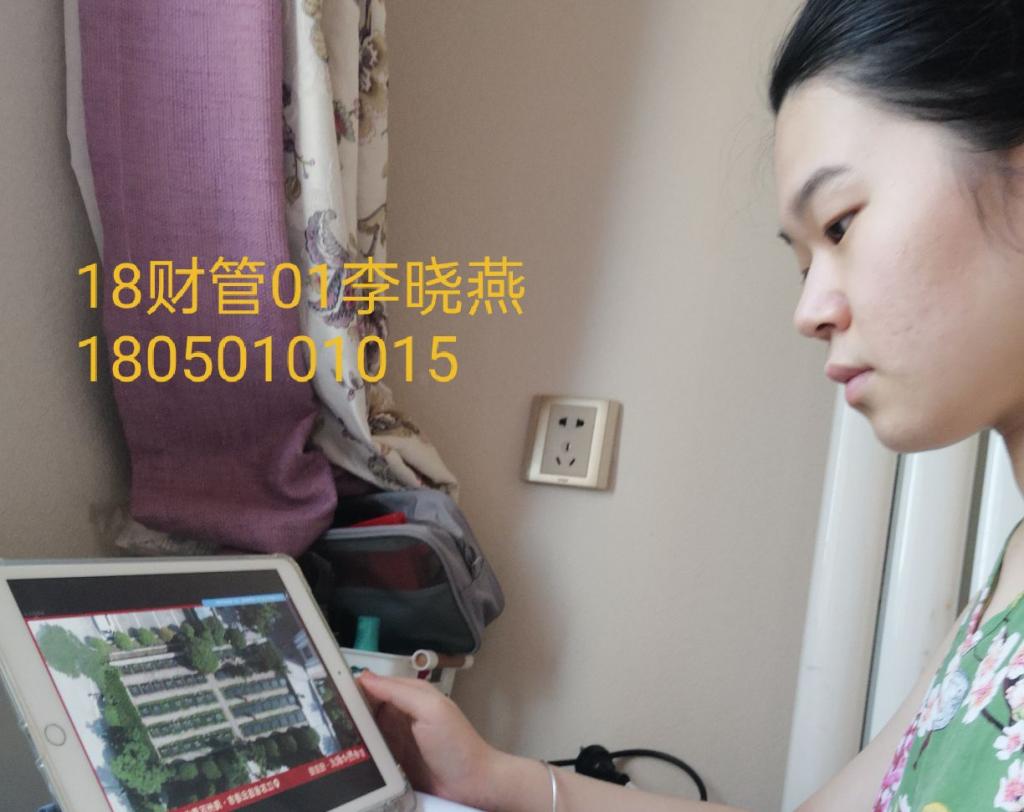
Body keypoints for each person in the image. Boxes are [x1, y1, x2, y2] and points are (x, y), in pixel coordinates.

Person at [358, 1, 1024, 809]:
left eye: (841, 225)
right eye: (802, 263)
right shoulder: (1005, 587)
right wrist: (496, 778)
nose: (809, 311)